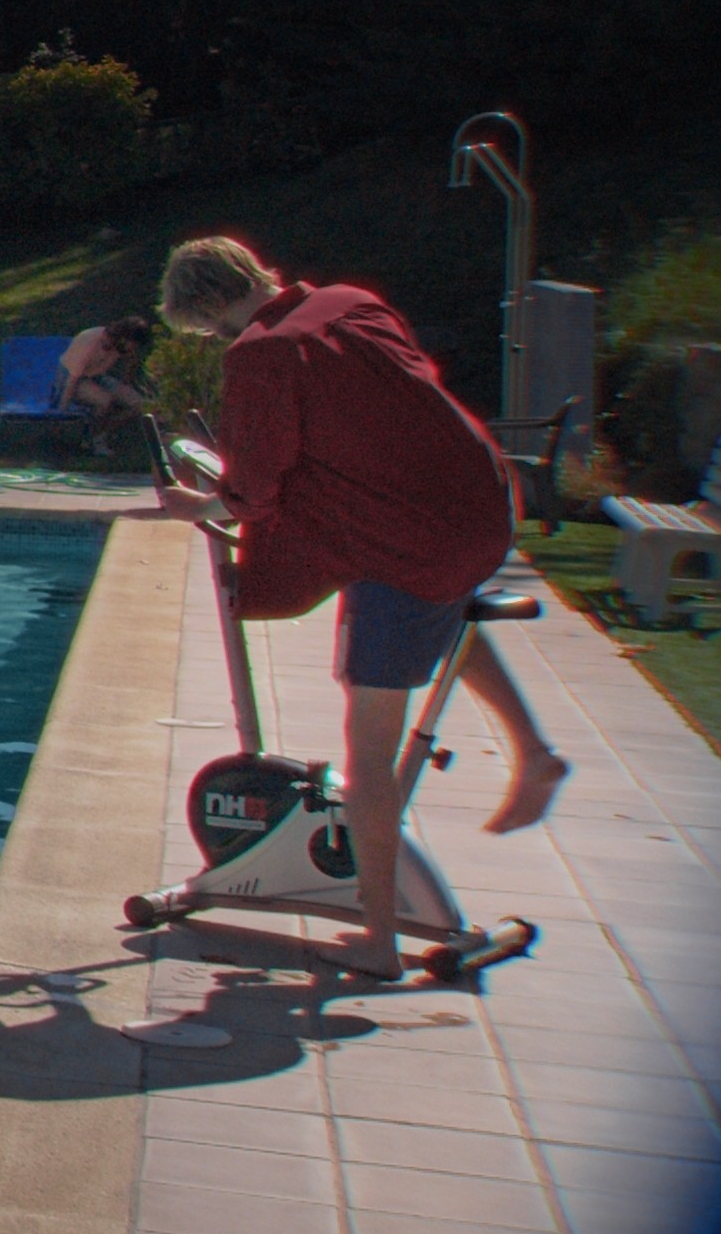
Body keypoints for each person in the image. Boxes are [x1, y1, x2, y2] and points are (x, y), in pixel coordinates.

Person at [149, 234, 568, 980]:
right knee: (445, 610)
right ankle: (534, 750)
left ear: (210, 307)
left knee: (368, 750)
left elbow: (254, 489)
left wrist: (199, 505)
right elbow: (374, 415)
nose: (216, 338)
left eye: (208, 327)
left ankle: (379, 942)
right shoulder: (350, 302)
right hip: (482, 504)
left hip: (410, 540)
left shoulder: (263, 353)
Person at [55, 312, 156, 447]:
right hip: (71, 378)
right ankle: (90, 439)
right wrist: (62, 412)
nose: (132, 349)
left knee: (139, 404)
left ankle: (104, 432)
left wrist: (126, 384)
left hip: (97, 376)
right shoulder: (91, 341)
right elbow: (72, 380)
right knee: (104, 400)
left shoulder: (122, 346)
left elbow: (131, 362)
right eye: (132, 344)